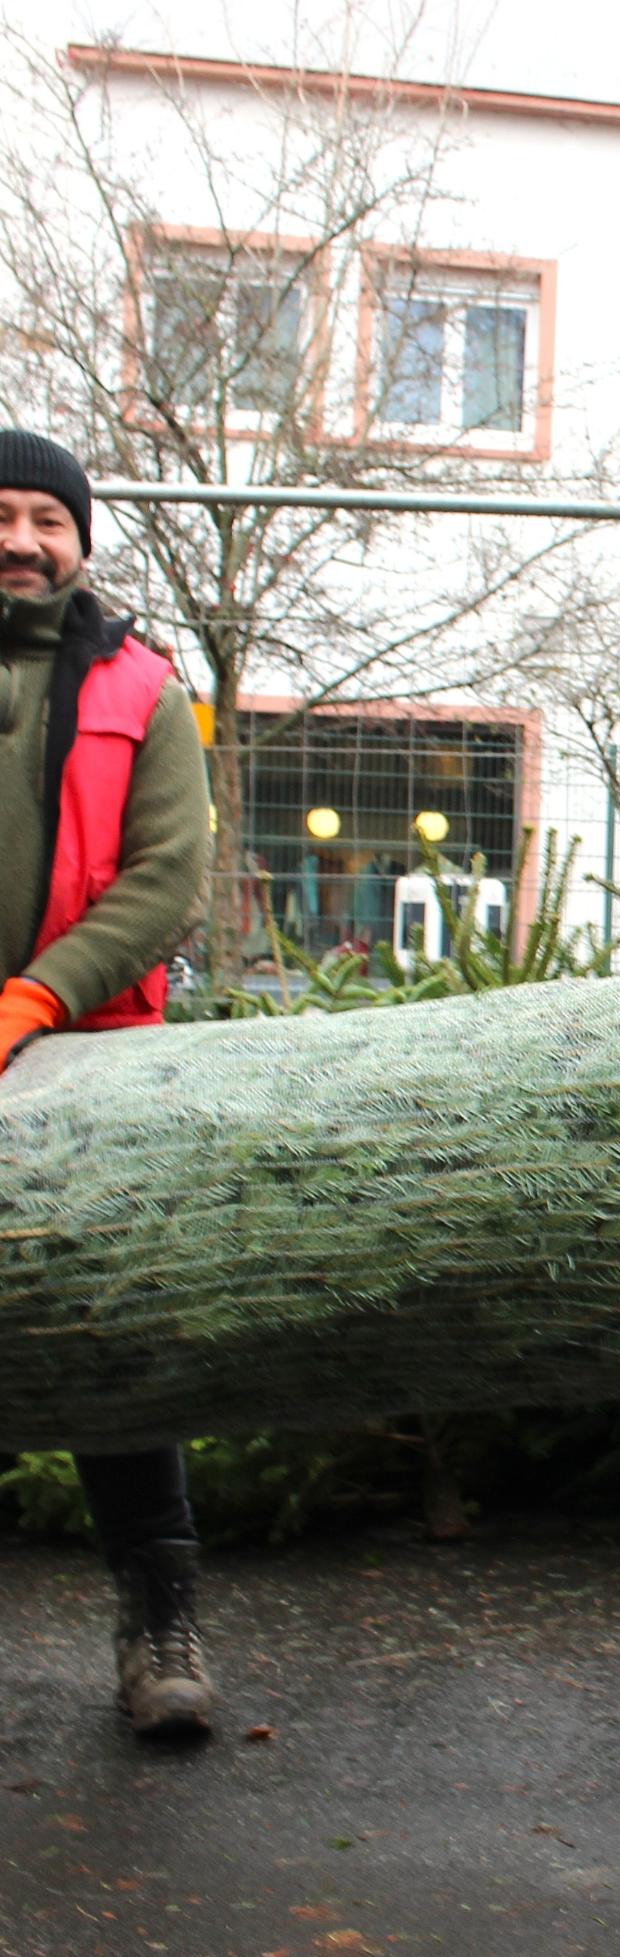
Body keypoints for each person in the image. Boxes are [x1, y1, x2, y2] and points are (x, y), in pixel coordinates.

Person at [0, 429, 216, 1737]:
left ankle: (160, 1630)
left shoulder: (145, 688)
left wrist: (35, 998)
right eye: (0, 516)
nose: (20, 540)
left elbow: (167, 879)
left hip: (92, 1068)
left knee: (113, 1352)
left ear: (82, 544)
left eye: (47, 520)